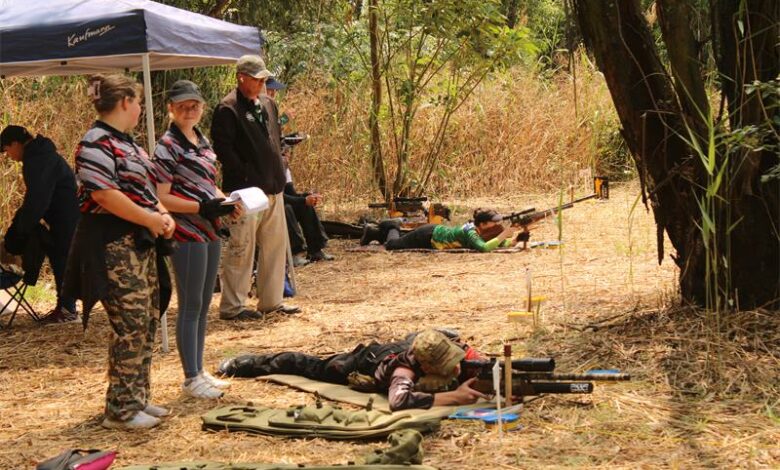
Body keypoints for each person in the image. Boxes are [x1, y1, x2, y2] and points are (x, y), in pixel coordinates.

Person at [65, 74, 175, 430]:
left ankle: (137, 397)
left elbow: (144, 189)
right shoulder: (95, 142)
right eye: (138, 102)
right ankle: (121, 410)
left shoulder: (127, 143)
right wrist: (149, 218)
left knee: (147, 317)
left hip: (139, 241)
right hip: (112, 244)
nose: (141, 109)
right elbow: (104, 194)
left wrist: (162, 214)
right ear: (126, 101)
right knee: (130, 322)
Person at [153, 80, 241, 400]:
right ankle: (191, 377)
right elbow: (161, 196)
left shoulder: (201, 139)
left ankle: (199, 369)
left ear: (202, 107)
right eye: (182, 105)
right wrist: (200, 207)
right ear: (171, 109)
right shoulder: (167, 146)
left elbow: (207, 183)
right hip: (185, 230)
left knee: (203, 304)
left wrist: (226, 201)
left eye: (194, 105)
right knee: (190, 304)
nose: (189, 110)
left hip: (209, 228)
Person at [211, 55, 299, 321]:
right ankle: (233, 306)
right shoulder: (227, 108)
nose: (262, 83)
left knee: (274, 246)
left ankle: (271, 301)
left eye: (263, 79)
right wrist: (246, 174)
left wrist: (281, 162)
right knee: (242, 247)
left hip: (274, 187)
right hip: (246, 193)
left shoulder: (268, 103)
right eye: (257, 79)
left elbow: (277, 138)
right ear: (241, 78)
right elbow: (223, 150)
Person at [216, 329, 489, 411]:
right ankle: (247, 363)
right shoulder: (403, 371)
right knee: (306, 365)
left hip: (409, 345)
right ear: (427, 366)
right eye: (446, 365)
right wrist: (454, 397)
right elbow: (398, 401)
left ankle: (416, 336)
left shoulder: (446, 349)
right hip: (363, 362)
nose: (456, 367)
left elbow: (482, 363)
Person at [0, 125, 80, 324]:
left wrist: (20, 231)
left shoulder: (38, 159)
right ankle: (66, 307)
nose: (8, 156)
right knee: (59, 257)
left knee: (62, 258)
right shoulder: (39, 155)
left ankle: (68, 310)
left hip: (67, 216)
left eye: (6, 150)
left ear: (16, 144)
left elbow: (37, 201)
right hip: (63, 215)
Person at [265, 78, 334, 265]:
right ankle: (294, 253)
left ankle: (316, 249)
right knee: (288, 207)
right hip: (267, 188)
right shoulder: (256, 110)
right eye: (269, 90)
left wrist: (304, 200)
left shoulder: (270, 110)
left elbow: (275, 128)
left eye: (273, 91)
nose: (272, 94)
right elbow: (278, 197)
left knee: (304, 201)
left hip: (280, 175)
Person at [360, 208, 524, 252]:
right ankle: (392, 225)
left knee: (401, 239)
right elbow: (484, 248)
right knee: (392, 245)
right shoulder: (471, 232)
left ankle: (372, 232)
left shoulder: (477, 231)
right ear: (482, 224)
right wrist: (504, 234)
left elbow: (493, 243)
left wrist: (514, 241)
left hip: (432, 234)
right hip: (428, 235)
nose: (496, 225)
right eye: (492, 223)